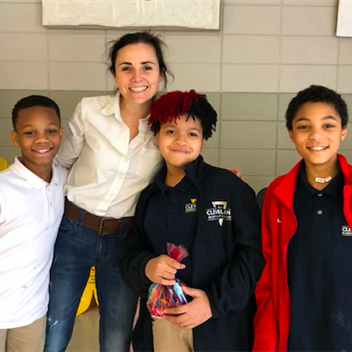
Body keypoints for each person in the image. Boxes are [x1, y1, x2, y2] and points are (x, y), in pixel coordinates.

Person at [43, 31, 173, 352]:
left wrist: (221, 178)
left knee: (116, 339)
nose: (137, 77)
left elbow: (182, 168)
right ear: (114, 74)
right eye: (126, 67)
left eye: (147, 67)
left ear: (161, 73)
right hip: (73, 231)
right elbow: (61, 165)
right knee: (55, 330)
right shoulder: (90, 111)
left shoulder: (168, 124)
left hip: (124, 242)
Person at [122, 90, 265, 352]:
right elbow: (129, 255)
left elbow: (254, 254)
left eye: (192, 133)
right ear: (157, 135)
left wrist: (213, 302)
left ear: (203, 139)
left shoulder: (227, 187)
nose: (181, 140)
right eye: (170, 131)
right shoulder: (148, 198)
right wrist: (147, 266)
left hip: (222, 325)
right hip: (164, 325)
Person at [253, 85, 352, 352]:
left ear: (343, 130)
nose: (316, 135)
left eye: (328, 126)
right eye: (304, 126)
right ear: (291, 133)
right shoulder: (277, 193)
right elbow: (268, 275)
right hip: (295, 332)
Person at [0, 95, 66, 352]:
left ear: (60, 133)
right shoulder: (4, 187)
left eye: (50, 130)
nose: (42, 139)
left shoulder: (63, 179)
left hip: (32, 313)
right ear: (15, 138)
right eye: (30, 132)